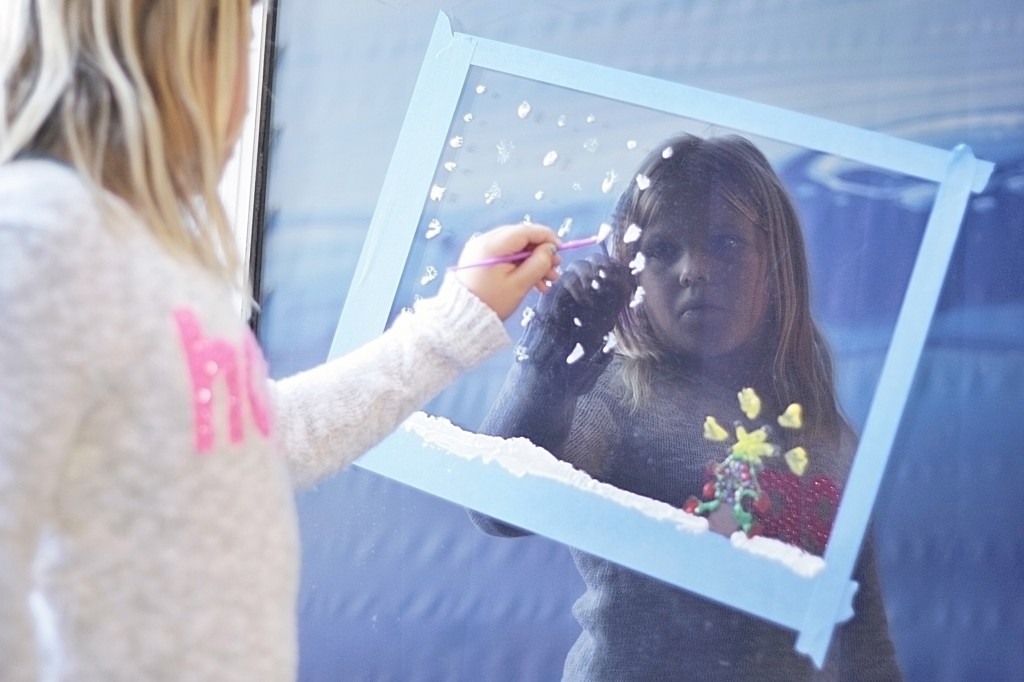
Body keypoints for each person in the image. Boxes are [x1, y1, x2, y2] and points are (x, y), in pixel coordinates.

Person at [0, 1, 562, 679]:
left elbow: (261, 442)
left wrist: (453, 322)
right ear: (178, 53)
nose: (253, 86)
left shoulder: (154, 259)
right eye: (239, 43)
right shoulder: (39, 239)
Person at [472, 133, 902, 680]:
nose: (693, 270)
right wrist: (548, 364)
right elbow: (496, 511)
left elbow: (862, 638)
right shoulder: (617, 395)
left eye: (724, 245)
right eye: (662, 249)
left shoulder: (828, 435)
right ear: (631, 271)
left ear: (775, 264)